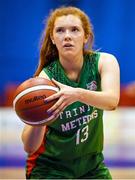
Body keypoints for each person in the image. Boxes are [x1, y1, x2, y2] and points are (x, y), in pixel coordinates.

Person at [22, 6, 120, 179]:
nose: (67, 35)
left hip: (92, 165)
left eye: (74, 30)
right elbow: (29, 147)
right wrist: (38, 118)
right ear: (52, 38)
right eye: (60, 30)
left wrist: (76, 94)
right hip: (51, 168)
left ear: (86, 36)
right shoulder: (45, 80)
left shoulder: (104, 62)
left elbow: (112, 101)